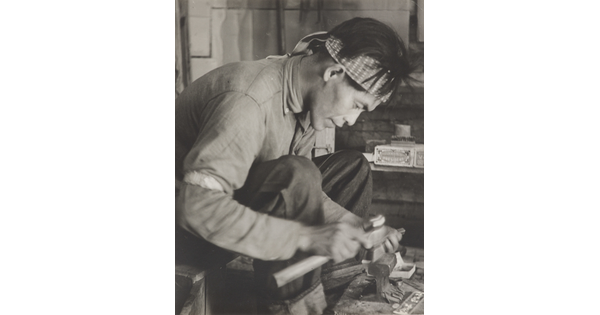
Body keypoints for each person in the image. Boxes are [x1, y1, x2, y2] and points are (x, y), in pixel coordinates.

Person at [175, 17, 415, 314]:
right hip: (188, 231)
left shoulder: (304, 101)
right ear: (333, 72)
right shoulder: (248, 99)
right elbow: (197, 209)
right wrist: (307, 237)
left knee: (352, 167)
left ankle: (323, 287)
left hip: (237, 205)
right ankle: (291, 305)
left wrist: (356, 225)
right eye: (357, 105)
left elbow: (307, 189)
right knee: (297, 173)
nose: (352, 120)